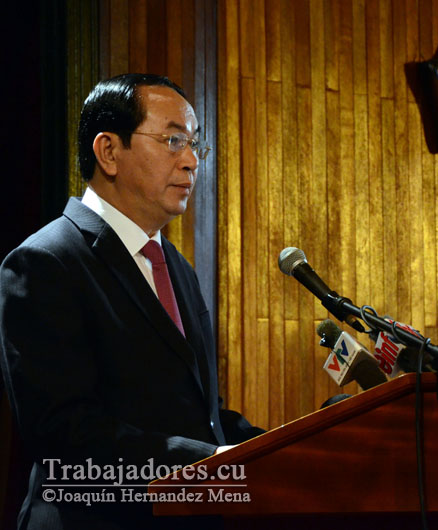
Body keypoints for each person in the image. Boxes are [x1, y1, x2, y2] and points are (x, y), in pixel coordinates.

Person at [0, 74, 264, 529]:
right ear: (108, 152)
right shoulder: (44, 262)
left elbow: (199, 416)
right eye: (172, 141)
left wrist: (286, 449)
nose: (190, 161)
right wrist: (208, 463)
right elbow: (66, 432)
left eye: (194, 144)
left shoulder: (175, 266)